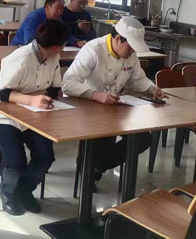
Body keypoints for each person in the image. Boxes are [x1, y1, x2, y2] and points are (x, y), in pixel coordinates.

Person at [62, 16, 166, 186]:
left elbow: (138, 78)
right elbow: (68, 83)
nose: (132, 52)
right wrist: (96, 95)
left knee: (142, 139)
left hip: (116, 107)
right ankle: (87, 170)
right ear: (118, 39)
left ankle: (98, 165)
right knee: (98, 140)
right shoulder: (93, 50)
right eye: (130, 47)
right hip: (89, 107)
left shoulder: (130, 55)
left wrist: (152, 88)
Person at [0, 20, 69, 216]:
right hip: (4, 116)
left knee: (45, 156)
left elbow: (54, 88)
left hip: (34, 116)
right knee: (17, 161)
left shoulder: (53, 57)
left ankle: (23, 191)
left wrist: (44, 98)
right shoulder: (21, 58)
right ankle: (8, 194)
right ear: (57, 46)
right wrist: (31, 99)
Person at [11, 0, 83, 47]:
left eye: (62, 9)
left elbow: (64, 34)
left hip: (44, 50)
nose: (60, 12)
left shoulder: (57, 18)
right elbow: (29, 41)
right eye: (57, 8)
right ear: (48, 7)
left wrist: (76, 42)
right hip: (19, 48)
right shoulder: (33, 18)